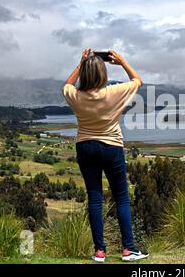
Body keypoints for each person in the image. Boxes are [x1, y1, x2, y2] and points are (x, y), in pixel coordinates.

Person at [63, 49, 148, 263]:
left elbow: (67, 85)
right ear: (103, 74)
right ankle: (128, 249)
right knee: (121, 197)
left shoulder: (75, 96)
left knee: (95, 197)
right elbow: (138, 80)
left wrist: (81, 62)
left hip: (85, 147)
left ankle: (100, 251)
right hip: (111, 147)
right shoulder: (114, 92)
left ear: (84, 73)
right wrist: (121, 62)